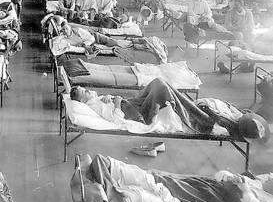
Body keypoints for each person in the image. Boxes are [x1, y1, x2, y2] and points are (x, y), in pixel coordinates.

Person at [71, 79, 270, 142]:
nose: (89, 91)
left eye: (85, 89)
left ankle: (170, 101)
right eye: (85, 92)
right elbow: (116, 119)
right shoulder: (94, 105)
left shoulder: (95, 100)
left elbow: (106, 103)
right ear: (83, 100)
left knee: (159, 84)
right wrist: (114, 101)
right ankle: (174, 104)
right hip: (138, 116)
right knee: (161, 88)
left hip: (132, 105)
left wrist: (109, 99)